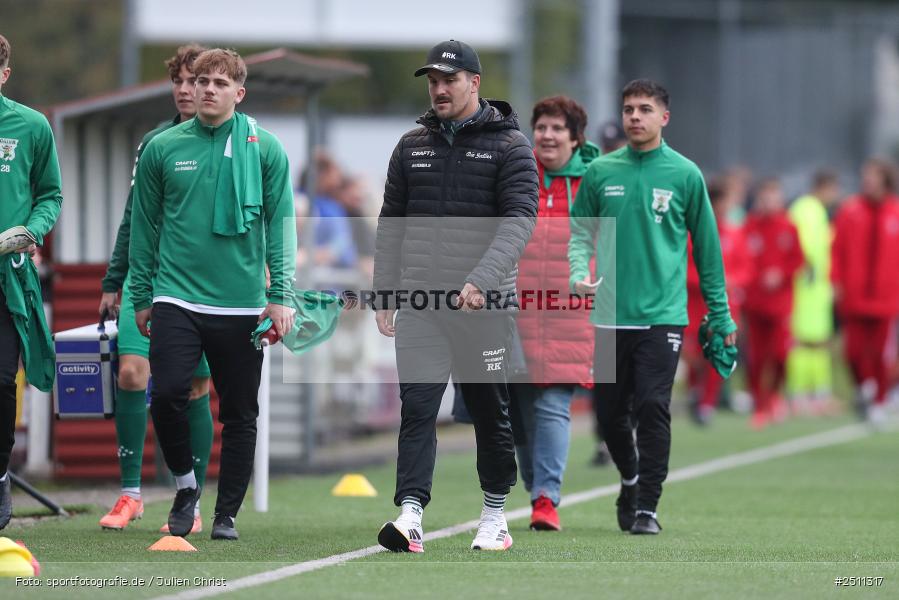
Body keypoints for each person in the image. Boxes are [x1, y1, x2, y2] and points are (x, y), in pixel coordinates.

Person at [373, 39, 537, 552]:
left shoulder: (511, 147)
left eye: (449, 80)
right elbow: (390, 224)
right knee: (418, 407)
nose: (439, 89)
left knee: (488, 410)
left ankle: (495, 516)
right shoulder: (410, 146)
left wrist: (480, 281)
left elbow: (519, 223)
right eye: (433, 81)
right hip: (422, 305)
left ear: (475, 83)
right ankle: (410, 514)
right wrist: (383, 293)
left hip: (483, 307)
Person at [129, 48, 296, 540]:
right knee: (168, 394)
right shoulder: (162, 147)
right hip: (175, 297)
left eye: (220, 83)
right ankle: (185, 487)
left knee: (241, 413)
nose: (206, 89)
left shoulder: (265, 148)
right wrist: (141, 294)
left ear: (238, 93)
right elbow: (143, 228)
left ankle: (226, 516)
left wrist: (281, 296)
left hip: (243, 303)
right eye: (201, 81)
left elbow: (282, 228)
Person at [569, 79, 736, 535]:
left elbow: (707, 249)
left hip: (663, 316)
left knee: (652, 405)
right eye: (628, 109)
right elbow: (580, 232)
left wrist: (719, 314)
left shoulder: (685, 175)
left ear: (664, 117)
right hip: (608, 314)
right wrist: (578, 269)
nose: (635, 117)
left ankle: (647, 507)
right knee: (608, 416)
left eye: (645, 109)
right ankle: (630, 477)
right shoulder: (602, 172)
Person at [96, 44, 214, 534]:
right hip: (151, 282)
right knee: (129, 372)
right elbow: (133, 218)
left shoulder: (240, 142)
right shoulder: (154, 143)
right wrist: (114, 279)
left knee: (194, 388)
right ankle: (130, 494)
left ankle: (193, 498)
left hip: (209, 287)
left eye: (197, 81)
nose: (187, 90)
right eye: (180, 81)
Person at [511, 95, 598, 531]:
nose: (546, 135)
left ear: (575, 137)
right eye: (541, 127)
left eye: (557, 128)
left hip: (571, 311)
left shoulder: (595, 182)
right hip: (517, 310)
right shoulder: (517, 174)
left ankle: (547, 498)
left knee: (553, 403)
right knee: (521, 409)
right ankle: (535, 490)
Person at [0, 33, 63, 530]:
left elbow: (51, 195)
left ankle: (0, 478)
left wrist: (30, 230)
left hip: (8, 277)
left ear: (4, 74)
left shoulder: (31, 126)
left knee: (2, 381)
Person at [832, 159, 899, 425]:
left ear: (885, 179)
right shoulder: (850, 211)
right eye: (865, 176)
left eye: (873, 177)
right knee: (853, 352)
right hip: (854, 295)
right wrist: (836, 281)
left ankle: (880, 400)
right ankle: (864, 388)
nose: (868, 181)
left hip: (887, 298)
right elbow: (837, 250)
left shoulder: (895, 212)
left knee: (882, 354)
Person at [684, 177, 751, 425]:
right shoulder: (692, 235)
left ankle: (707, 404)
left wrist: (734, 280)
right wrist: (709, 282)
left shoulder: (735, 233)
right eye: (724, 203)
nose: (727, 208)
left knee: (719, 352)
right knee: (694, 355)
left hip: (725, 309)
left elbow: (746, 268)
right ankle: (695, 391)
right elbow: (684, 270)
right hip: (695, 307)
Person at [742, 178, 805, 428]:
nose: (768, 202)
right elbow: (742, 258)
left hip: (781, 304)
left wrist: (781, 273)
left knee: (780, 354)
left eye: (773, 197)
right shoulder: (750, 226)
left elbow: (798, 260)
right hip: (755, 303)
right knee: (756, 356)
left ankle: (775, 395)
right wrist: (756, 277)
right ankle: (760, 404)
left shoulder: (788, 227)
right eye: (764, 197)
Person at [786, 170, 841, 416]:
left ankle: (817, 393)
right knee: (803, 341)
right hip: (805, 287)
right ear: (825, 187)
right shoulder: (806, 209)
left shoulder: (816, 210)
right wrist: (809, 273)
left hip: (816, 289)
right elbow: (804, 247)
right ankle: (801, 394)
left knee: (817, 342)